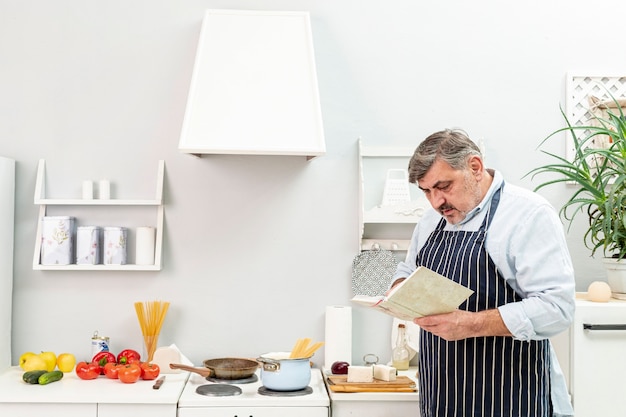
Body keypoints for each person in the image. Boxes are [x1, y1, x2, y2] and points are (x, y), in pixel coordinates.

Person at [391, 129, 575, 417]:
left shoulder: (528, 215)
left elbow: (557, 308)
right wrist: (400, 287)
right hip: (441, 399)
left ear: (474, 168)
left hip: (511, 400)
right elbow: (408, 269)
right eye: (427, 191)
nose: (436, 202)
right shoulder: (430, 222)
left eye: (444, 186)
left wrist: (471, 324)